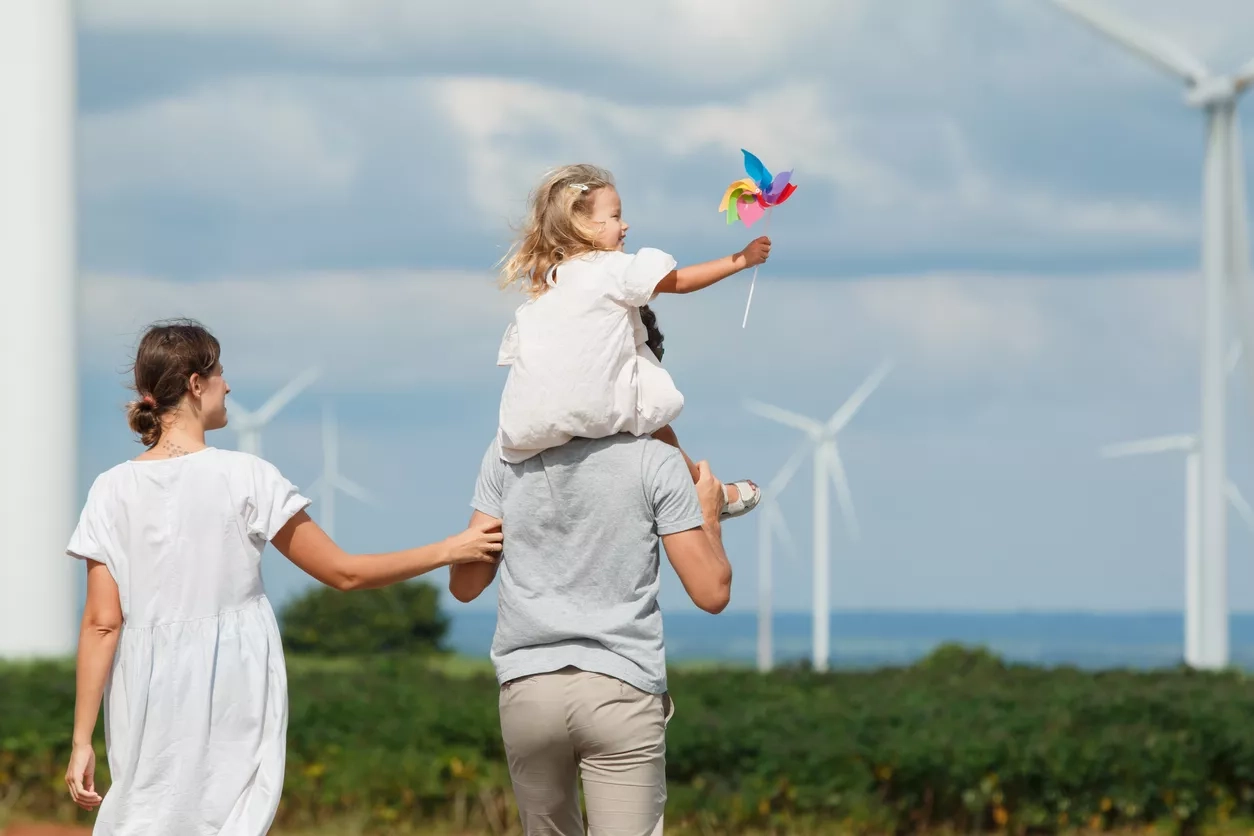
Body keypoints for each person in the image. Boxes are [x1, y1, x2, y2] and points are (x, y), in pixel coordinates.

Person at [63, 319, 502, 835]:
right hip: (230, 689)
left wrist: (80, 740)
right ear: (195, 384)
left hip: (145, 694)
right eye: (220, 372)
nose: (229, 385)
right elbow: (345, 574)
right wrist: (451, 548)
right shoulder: (247, 476)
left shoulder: (110, 489)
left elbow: (101, 623)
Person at [450, 429, 733, 836]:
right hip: (620, 688)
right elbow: (712, 592)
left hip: (529, 688)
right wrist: (707, 514)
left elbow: (464, 586)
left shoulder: (506, 452)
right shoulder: (656, 458)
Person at [495, 163, 764, 519]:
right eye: (616, 216)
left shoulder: (548, 287)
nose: (625, 226)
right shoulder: (611, 267)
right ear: (585, 225)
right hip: (592, 407)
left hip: (526, 425)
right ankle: (706, 489)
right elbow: (679, 281)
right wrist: (741, 260)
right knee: (657, 420)